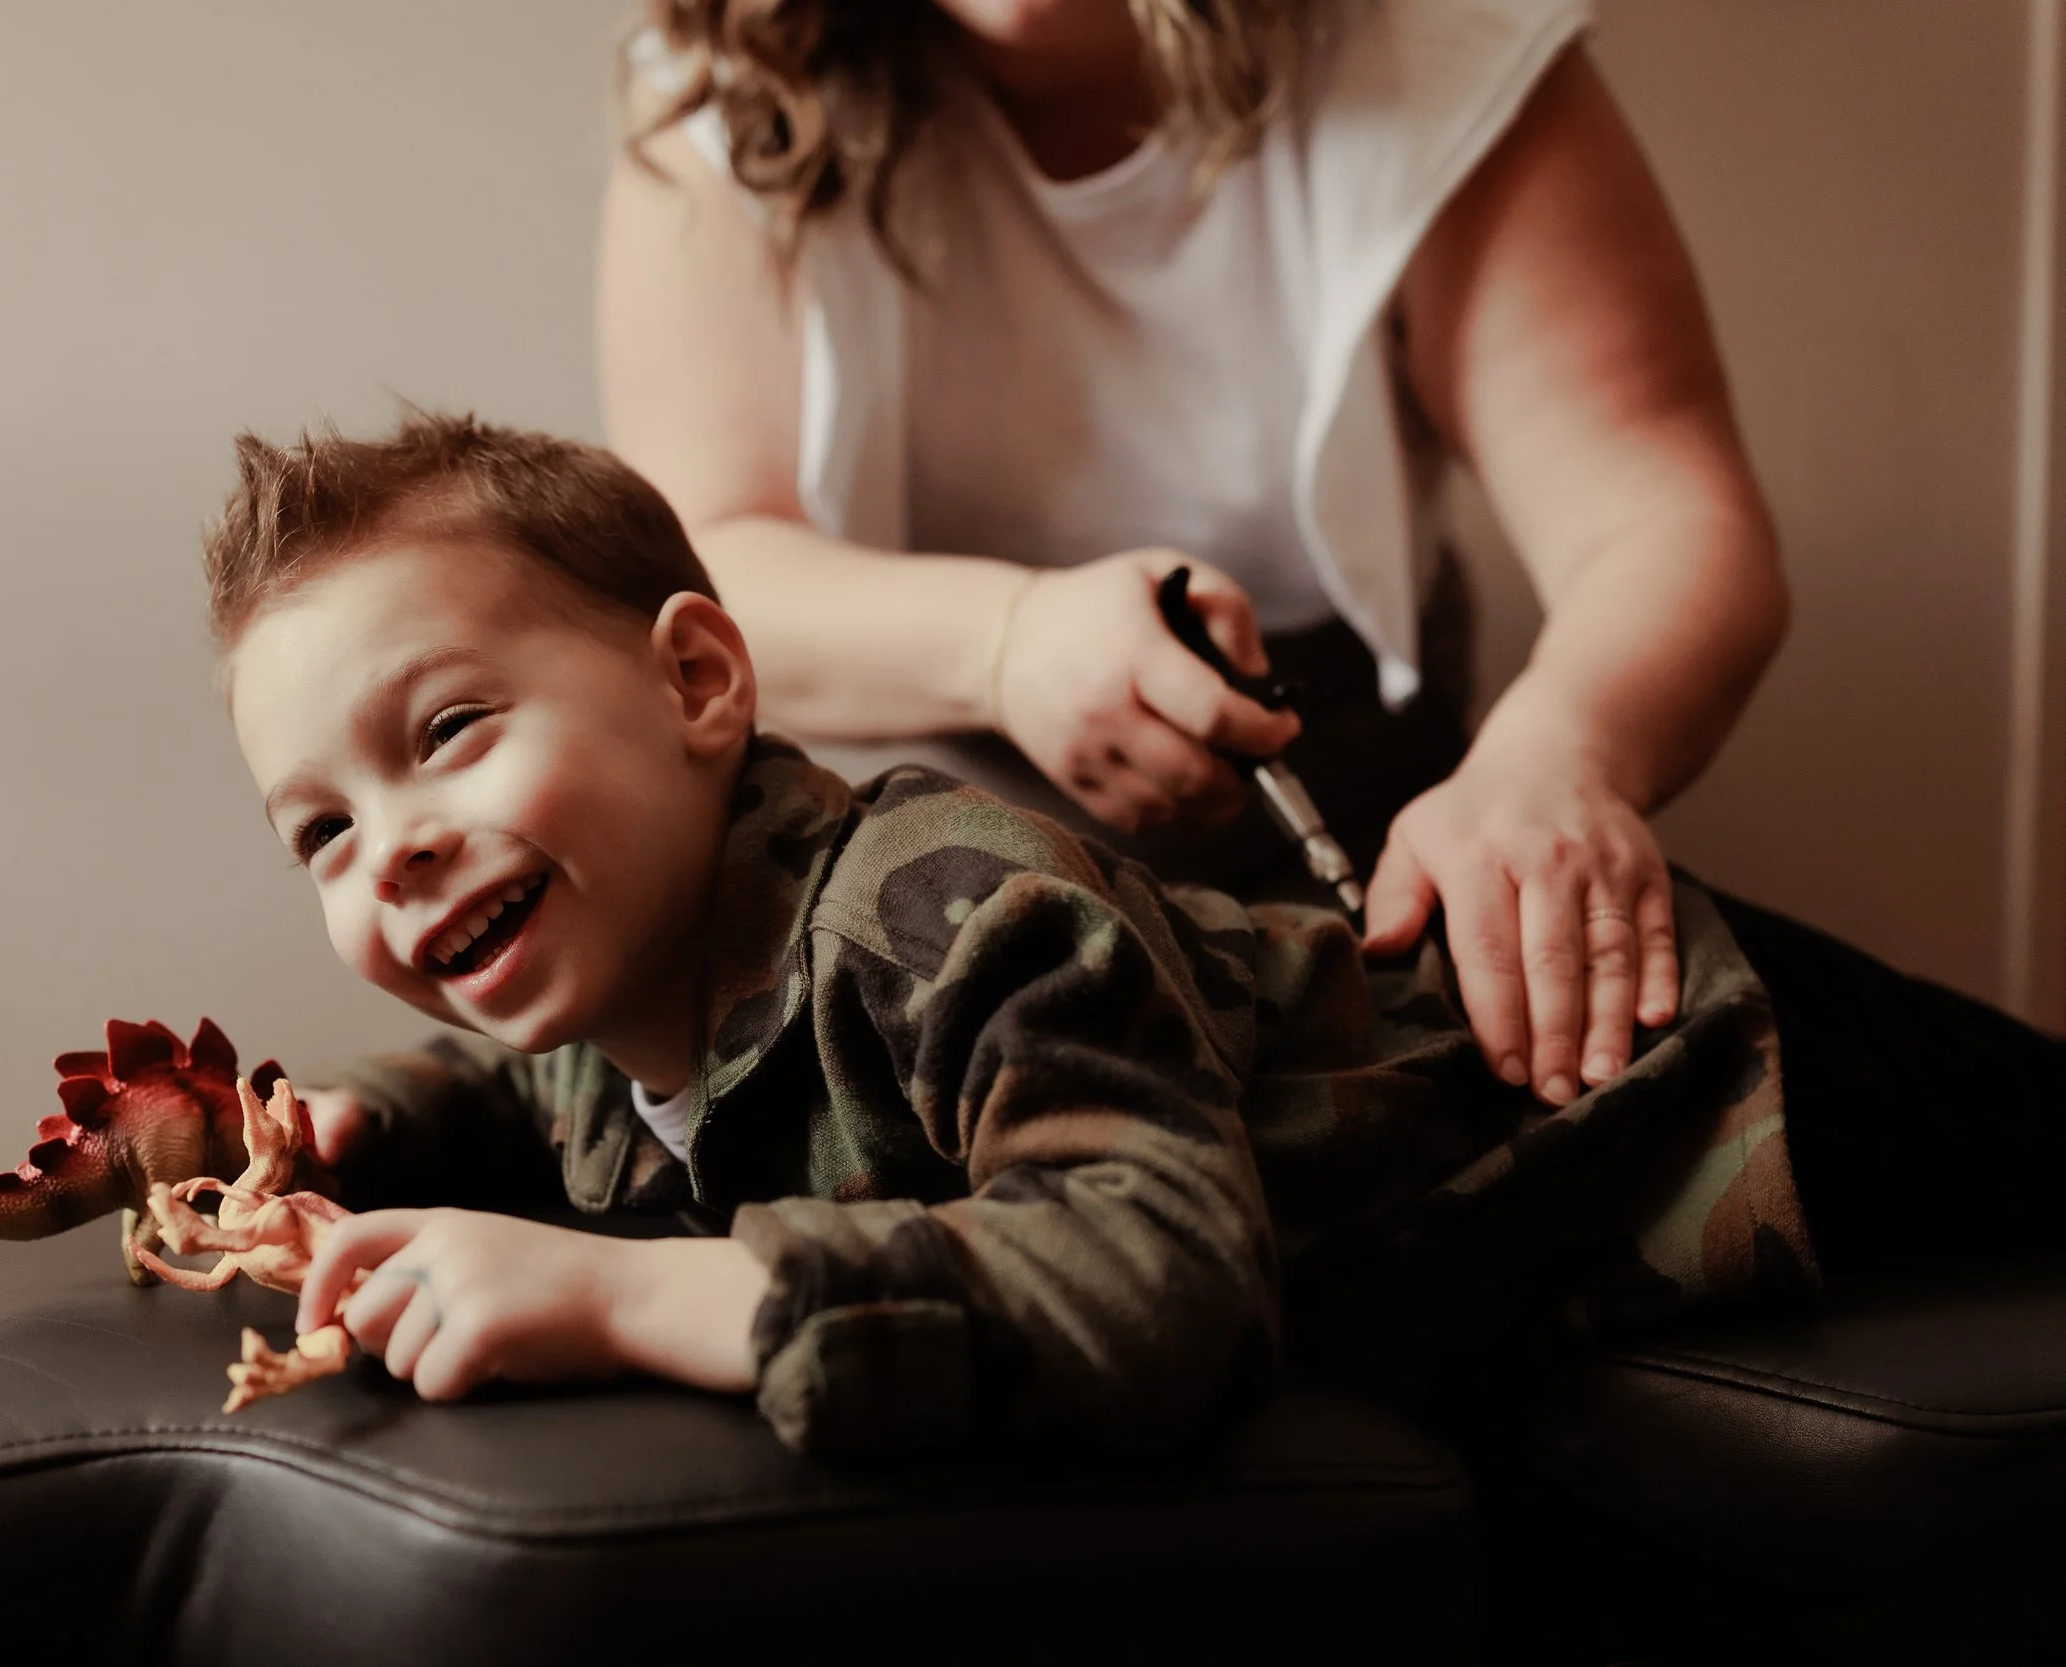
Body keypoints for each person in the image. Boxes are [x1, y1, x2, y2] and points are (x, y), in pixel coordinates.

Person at [200, 410, 2065, 1455]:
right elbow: (526, 1113)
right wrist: (336, 1122)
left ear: (697, 681)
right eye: (324, 833)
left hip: (1711, 1074)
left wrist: (635, 1292)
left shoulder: (950, 905)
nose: (398, 851)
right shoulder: (621, 1026)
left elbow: (1156, 1279)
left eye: (444, 734)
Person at [597, 0, 1784, 1121]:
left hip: (1371, 823)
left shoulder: (1434, 47)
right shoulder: (724, 87)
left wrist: (1555, 757)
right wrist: (1005, 644)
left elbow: (1662, 520)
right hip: (931, 872)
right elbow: (705, 575)